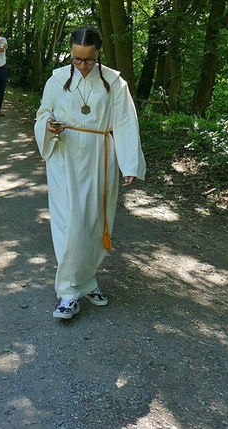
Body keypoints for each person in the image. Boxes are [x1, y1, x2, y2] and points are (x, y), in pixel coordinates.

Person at [34, 26, 146, 319]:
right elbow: (43, 111)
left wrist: (129, 163)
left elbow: (124, 122)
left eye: (89, 60)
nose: (83, 66)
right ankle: (69, 292)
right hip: (64, 157)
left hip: (101, 156)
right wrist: (47, 125)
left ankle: (87, 280)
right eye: (77, 59)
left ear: (98, 54)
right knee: (70, 222)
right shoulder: (57, 80)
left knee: (96, 223)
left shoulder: (114, 83)